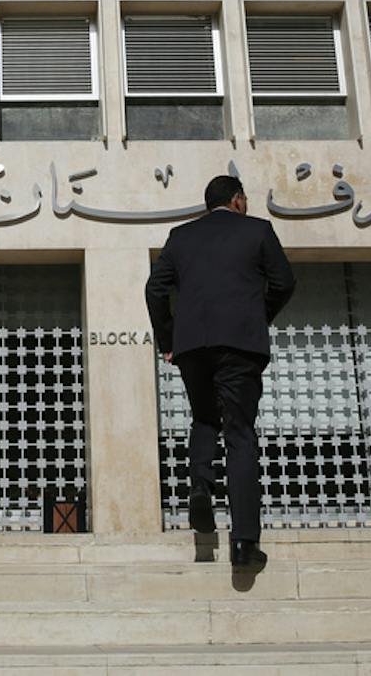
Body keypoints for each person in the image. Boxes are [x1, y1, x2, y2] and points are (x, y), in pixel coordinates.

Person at [144, 174, 295, 568]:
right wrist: (256, 316)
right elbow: (284, 281)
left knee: (204, 417)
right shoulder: (258, 231)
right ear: (238, 199)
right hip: (240, 345)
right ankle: (244, 543)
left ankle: (200, 484)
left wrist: (168, 340)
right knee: (241, 433)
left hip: (193, 346)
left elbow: (154, 290)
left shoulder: (180, 237)